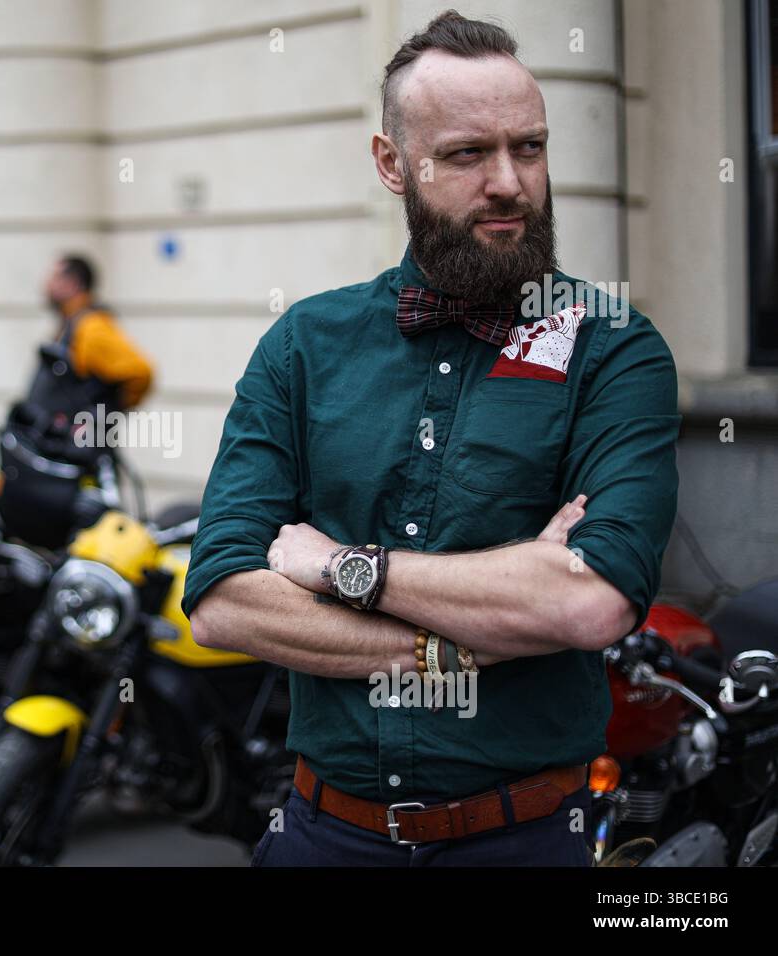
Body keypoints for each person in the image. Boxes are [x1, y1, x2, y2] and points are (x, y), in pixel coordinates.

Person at [183, 11, 680, 866]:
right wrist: (465, 637)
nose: (509, 183)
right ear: (391, 164)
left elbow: (589, 600)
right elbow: (224, 600)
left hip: (523, 841)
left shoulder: (614, 345)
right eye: (466, 155)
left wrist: (347, 568)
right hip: (319, 836)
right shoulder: (305, 345)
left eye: (528, 148)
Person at [24, 254, 152, 431]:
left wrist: (105, 412)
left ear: (73, 284)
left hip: (77, 451)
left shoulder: (91, 327)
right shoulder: (72, 324)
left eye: (55, 277)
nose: (47, 284)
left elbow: (140, 372)